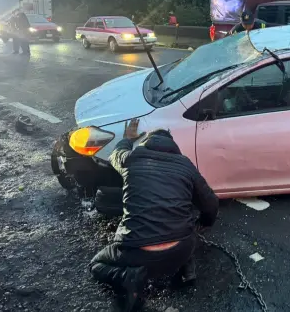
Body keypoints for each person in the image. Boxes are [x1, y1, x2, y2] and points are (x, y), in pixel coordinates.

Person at [89, 119, 219, 312]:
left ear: (146, 142)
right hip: (181, 248)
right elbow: (211, 203)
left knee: (96, 264)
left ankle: (127, 278)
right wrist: (205, 222)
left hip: (138, 253)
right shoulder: (185, 165)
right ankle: (186, 271)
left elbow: (115, 154)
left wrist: (127, 139)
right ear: (173, 146)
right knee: (187, 219)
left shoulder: (132, 158)